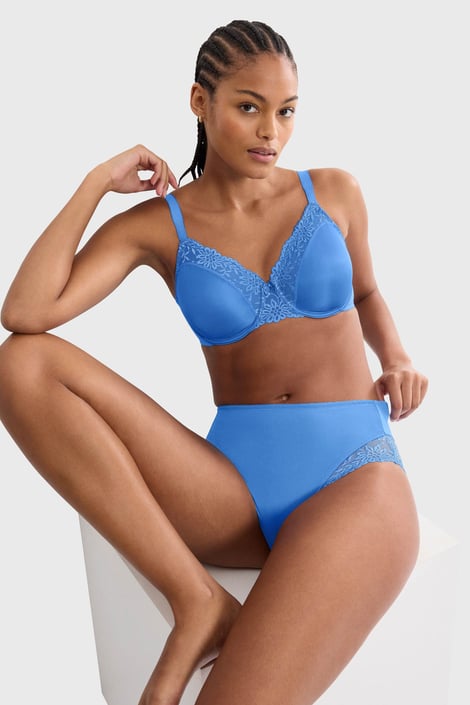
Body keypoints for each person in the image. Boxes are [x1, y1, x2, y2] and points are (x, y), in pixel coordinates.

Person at [0, 18, 428, 705]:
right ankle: (194, 599)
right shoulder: (157, 226)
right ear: (201, 102)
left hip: (352, 473)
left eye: (286, 111)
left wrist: (398, 357)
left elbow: (368, 291)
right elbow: (25, 313)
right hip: (229, 488)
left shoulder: (333, 191)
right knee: (20, 364)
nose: (271, 132)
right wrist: (94, 183)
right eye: (249, 107)